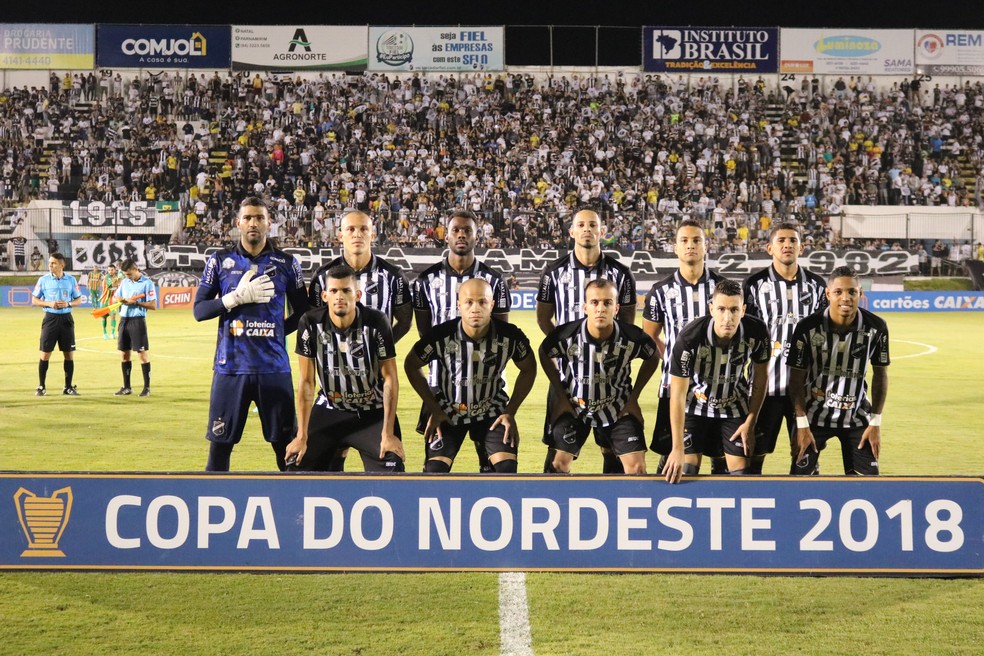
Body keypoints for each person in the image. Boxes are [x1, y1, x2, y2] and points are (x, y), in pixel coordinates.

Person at [193, 196, 310, 472]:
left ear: (269, 223)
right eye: (247, 218)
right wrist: (233, 299)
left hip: (273, 369)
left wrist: (278, 332)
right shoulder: (220, 261)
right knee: (219, 451)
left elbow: (304, 312)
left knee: (288, 453)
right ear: (238, 223)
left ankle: (293, 514)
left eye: (259, 217)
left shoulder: (287, 262)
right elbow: (199, 310)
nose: (253, 223)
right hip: (230, 369)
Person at [306, 208, 413, 471]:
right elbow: (312, 329)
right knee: (314, 469)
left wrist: (379, 353)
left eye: (363, 229)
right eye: (351, 229)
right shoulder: (322, 277)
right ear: (340, 235)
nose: (357, 234)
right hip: (334, 391)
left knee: (391, 472)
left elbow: (405, 321)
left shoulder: (392, 276)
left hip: (375, 391)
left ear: (372, 234)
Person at [536, 207, 637, 474]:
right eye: (581, 225)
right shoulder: (554, 272)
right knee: (557, 449)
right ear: (571, 232)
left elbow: (627, 323)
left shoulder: (622, 274)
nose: (587, 229)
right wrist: (564, 351)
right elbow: (545, 319)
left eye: (593, 225)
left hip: (611, 377)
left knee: (612, 448)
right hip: (569, 375)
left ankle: (613, 505)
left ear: (602, 232)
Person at [411, 209, 510, 472]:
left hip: (487, 389)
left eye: (467, 230)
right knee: (434, 468)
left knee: (492, 468)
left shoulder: (495, 281)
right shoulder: (425, 281)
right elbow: (425, 334)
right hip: (439, 387)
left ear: (478, 236)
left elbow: (502, 334)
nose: (461, 234)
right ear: (447, 235)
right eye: (456, 230)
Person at [406, 278, 537, 473]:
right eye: (469, 302)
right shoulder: (440, 335)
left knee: (506, 470)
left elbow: (529, 368)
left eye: (482, 302)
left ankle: (486, 453)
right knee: (434, 472)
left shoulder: (510, 336)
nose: (475, 308)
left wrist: (510, 410)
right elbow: (411, 365)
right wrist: (434, 407)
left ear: (492, 305)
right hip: (448, 411)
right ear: (459, 305)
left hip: (491, 411)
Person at [286, 264, 404, 472]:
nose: (339, 296)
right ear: (324, 296)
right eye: (333, 291)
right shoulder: (310, 323)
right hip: (330, 410)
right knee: (296, 466)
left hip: (371, 411)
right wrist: (301, 436)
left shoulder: (377, 322)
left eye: (346, 290)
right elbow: (306, 382)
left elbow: (390, 378)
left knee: (392, 468)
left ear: (357, 294)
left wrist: (388, 433)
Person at [539, 279, 660, 474]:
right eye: (594, 303)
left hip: (617, 407)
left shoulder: (632, 337)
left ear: (617, 308)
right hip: (575, 406)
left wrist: (634, 398)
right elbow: (544, 353)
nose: (600, 309)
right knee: (557, 465)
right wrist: (561, 396)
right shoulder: (566, 335)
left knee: (637, 468)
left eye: (607, 303)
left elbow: (653, 357)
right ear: (585, 307)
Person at [662, 279, 771, 484]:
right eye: (721, 309)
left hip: (734, 406)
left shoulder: (757, 332)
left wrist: (750, 421)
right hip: (695, 407)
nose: (727, 318)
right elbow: (677, 394)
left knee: (741, 478)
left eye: (734, 310)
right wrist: (677, 448)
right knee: (685, 473)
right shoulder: (690, 338)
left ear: (743, 309)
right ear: (711, 309)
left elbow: (761, 378)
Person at [742, 222, 828, 474]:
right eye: (781, 241)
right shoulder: (754, 285)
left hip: (806, 391)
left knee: (804, 456)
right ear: (770, 248)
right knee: (753, 455)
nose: (787, 245)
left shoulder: (817, 285)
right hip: (764, 389)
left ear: (801, 247)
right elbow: (745, 334)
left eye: (793, 240)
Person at [787, 266, 889, 476]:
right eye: (838, 292)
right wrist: (801, 424)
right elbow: (795, 379)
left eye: (852, 292)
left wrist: (876, 422)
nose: (846, 298)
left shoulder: (876, 327)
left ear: (860, 293)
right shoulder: (807, 328)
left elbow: (880, 375)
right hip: (814, 417)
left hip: (857, 417)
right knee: (799, 483)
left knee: (868, 486)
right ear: (828, 294)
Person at [642, 219, 726, 474]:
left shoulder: (722, 288)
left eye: (696, 241)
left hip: (718, 389)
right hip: (673, 388)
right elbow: (650, 336)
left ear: (705, 246)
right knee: (671, 457)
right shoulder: (660, 291)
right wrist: (673, 358)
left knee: (720, 459)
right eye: (685, 241)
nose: (691, 246)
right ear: (676, 248)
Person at [31, 252, 82, 395]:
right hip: (50, 319)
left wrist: (68, 303)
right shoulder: (43, 280)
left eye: (53, 263)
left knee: (68, 354)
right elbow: (34, 300)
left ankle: (68, 387)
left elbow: (78, 300)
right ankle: (41, 386)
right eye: (49, 263)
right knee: (45, 353)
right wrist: (48, 303)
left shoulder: (71, 280)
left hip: (66, 319)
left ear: (61, 264)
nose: (50, 265)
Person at [112, 258, 158, 397]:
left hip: (138, 321)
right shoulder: (125, 282)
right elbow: (115, 297)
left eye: (129, 274)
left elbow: (153, 305)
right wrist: (120, 299)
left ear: (135, 269)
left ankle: (147, 388)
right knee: (124, 354)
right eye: (125, 274)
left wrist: (136, 303)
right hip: (124, 319)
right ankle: (126, 387)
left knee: (141, 354)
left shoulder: (147, 283)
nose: (127, 277)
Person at [100, 263, 123, 339]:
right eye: (109, 270)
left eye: (112, 270)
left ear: (115, 270)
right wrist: (120, 280)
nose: (110, 271)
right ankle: (104, 333)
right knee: (104, 317)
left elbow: (119, 286)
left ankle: (112, 333)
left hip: (112, 301)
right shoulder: (107, 277)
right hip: (104, 300)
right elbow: (112, 285)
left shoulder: (117, 277)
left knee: (113, 316)